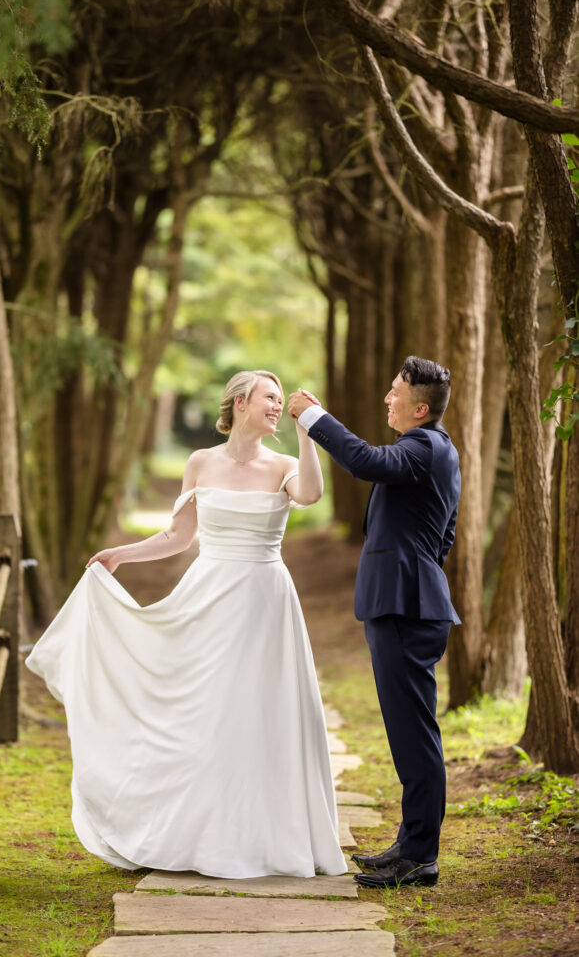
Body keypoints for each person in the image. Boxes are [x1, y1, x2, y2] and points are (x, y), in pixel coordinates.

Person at [25, 370, 347, 879]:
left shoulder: (285, 463)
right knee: (206, 707)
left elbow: (309, 495)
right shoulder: (200, 463)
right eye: (270, 398)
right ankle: (198, 833)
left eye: (281, 401)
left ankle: (266, 837)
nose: (277, 406)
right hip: (207, 595)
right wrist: (120, 555)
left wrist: (308, 433)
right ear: (240, 402)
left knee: (261, 710)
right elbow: (179, 535)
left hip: (265, 600)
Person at [288, 356, 460, 889]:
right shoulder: (436, 449)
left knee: (415, 734)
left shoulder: (423, 446)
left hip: (406, 609)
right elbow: (443, 536)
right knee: (407, 733)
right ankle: (410, 846)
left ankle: (420, 858)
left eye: (395, 392)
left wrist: (315, 419)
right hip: (408, 602)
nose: (387, 399)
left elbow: (363, 460)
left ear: (421, 407)